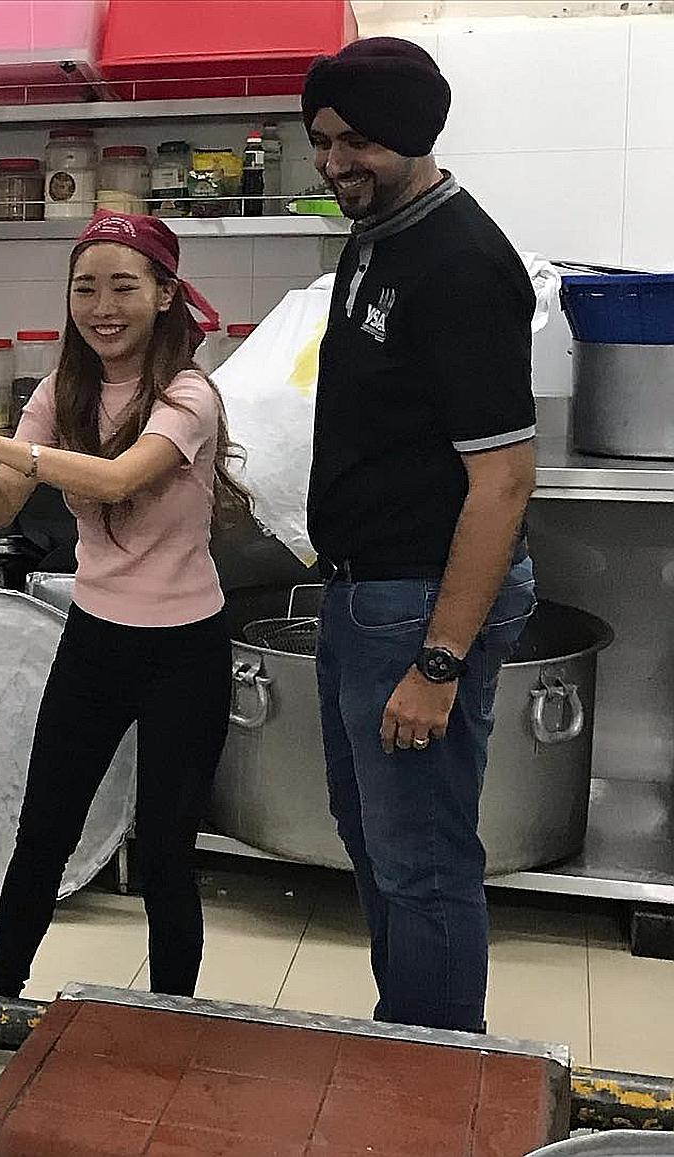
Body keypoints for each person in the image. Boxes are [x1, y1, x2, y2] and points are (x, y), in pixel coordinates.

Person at [0, 211, 251, 1081]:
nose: (103, 306)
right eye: (85, 288)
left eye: (123, 286)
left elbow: (114, 478)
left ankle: (173, 1027)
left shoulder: (189, 394)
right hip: (96, 640)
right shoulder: (61, 397)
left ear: (164, 294)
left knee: (167, 852)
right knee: (43, 833)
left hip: (185, 649)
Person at [304, 39, 538, 1032]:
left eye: (356, 141)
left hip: (415, 604)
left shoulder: (463, 264)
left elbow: (503, 482)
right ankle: (408, 1043)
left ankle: (441, 1087)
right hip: (362, 595)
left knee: (425, 860)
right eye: (321, 140)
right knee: (376, 840)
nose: (333, 161)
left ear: (412, 134)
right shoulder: (375, 233)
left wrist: (438, 663)